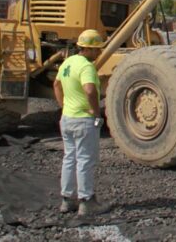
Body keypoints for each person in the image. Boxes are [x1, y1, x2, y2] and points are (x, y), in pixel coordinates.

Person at [53, 29, 108, 216]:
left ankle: (67, 200)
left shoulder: (67, 62)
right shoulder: (86, 67)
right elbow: (90, 90)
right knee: (85, 160)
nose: (99, 52)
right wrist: (96, 112)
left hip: (67, 119)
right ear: (88, 49)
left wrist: (64, 106)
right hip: (83, 120)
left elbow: (56, 84)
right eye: (97, 49)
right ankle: (86, 201)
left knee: (69, 158)